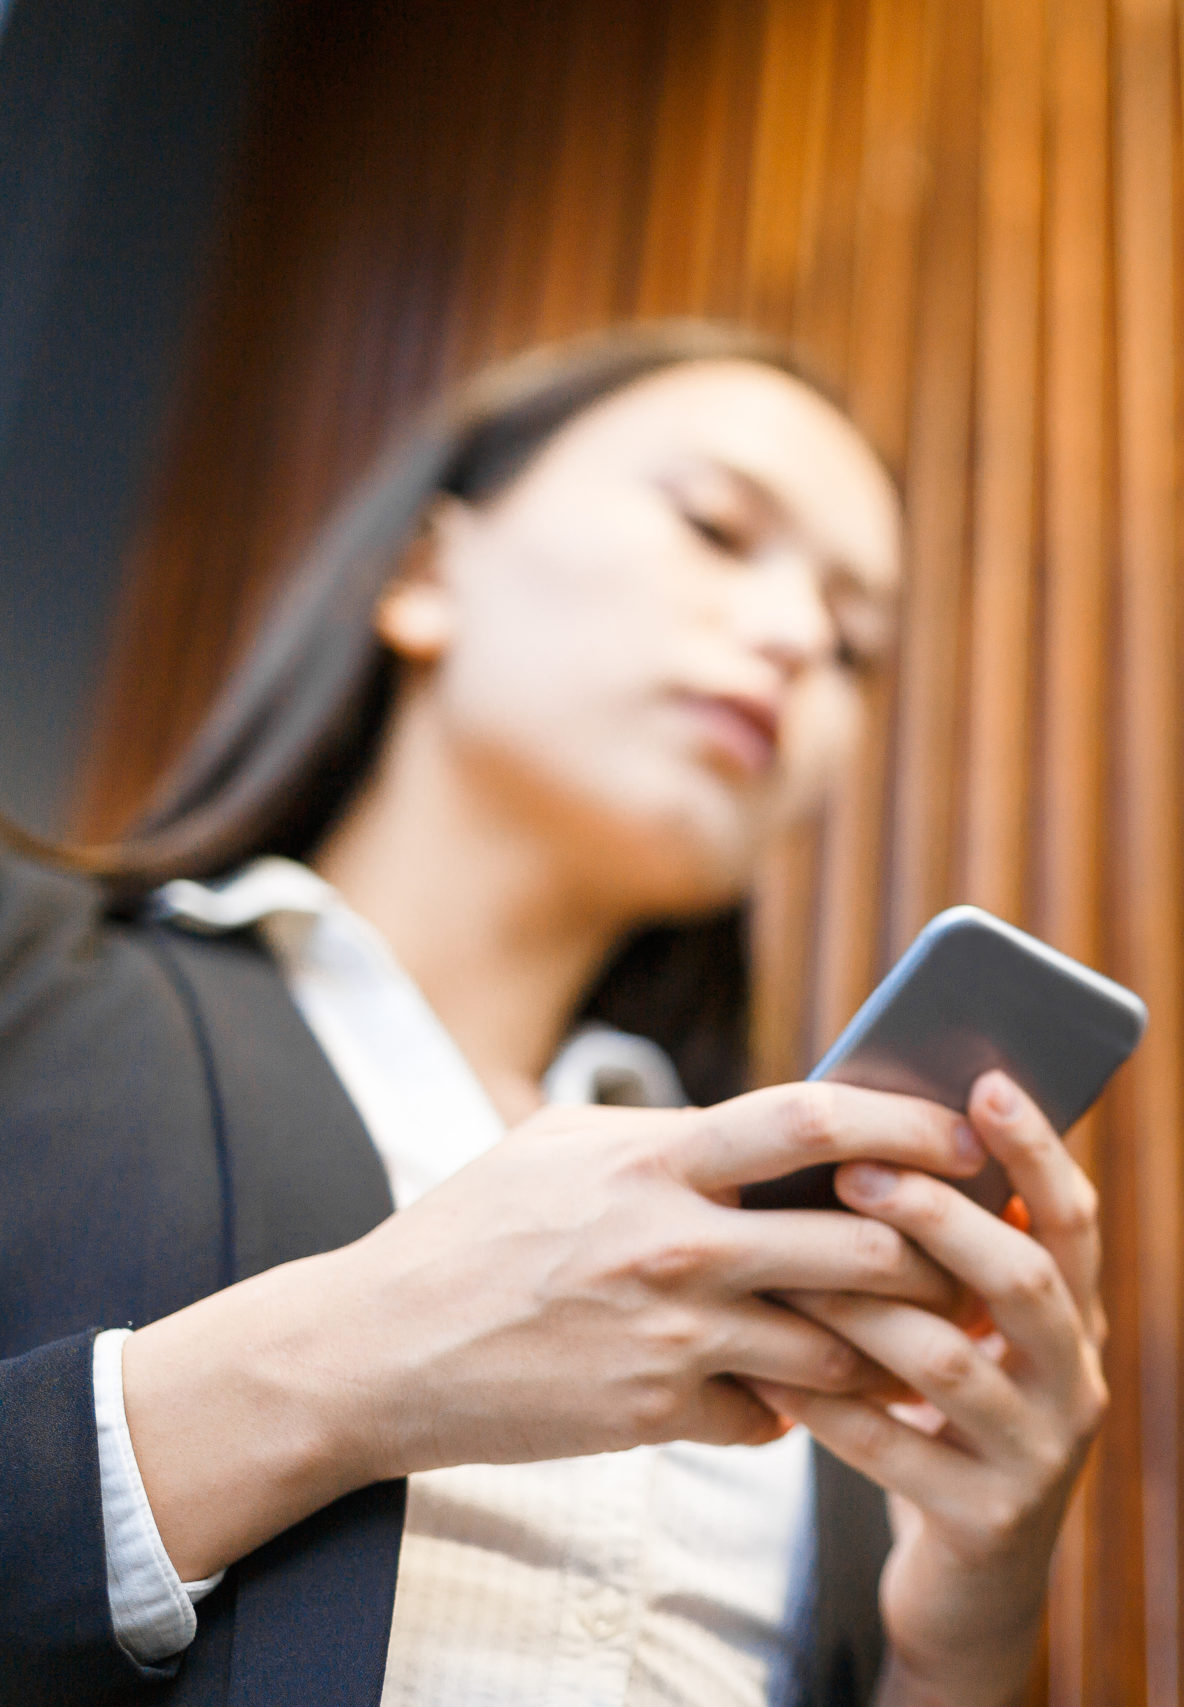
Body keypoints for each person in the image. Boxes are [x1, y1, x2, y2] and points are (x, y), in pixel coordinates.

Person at [0, 324, 1109, 1707]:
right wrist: (364, 1352)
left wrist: (963, 1652)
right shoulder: (33, 971)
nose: (793, 642)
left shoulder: (786, 1255)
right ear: (424, 572)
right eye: (716, 528)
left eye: (852, 645)